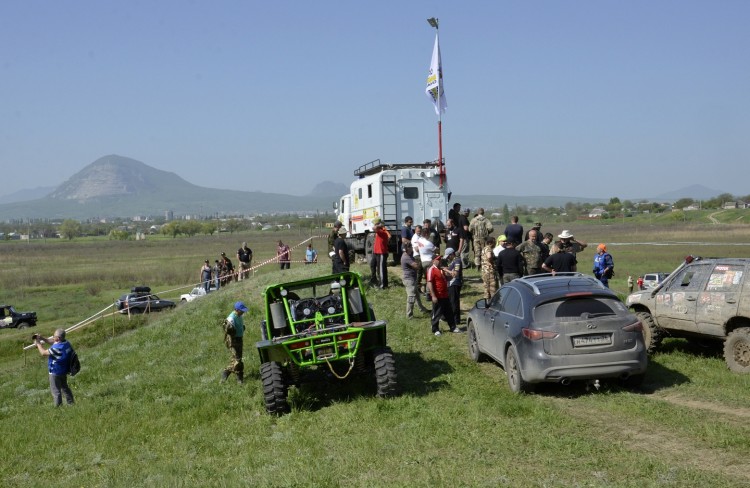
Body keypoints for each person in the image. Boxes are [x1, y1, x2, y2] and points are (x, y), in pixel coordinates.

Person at [34, 328, 75, 406]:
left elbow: (43, 353)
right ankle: (71, 403)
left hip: (55, 372)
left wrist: (38, 344)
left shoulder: (57, 348)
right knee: (65, 387)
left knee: (56, 391)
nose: (53, 337)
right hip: (64, 370)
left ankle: (58, 407)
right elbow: (52, 341)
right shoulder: (66, 343)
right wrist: (42, 338)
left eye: (54, 336)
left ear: (58, 338)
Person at [426, 254, 459, 336]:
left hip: (445, 294)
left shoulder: (441, 269)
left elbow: (447, 279)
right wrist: (433, 296)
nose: (439, 261)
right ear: (434, 261)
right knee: (436, 313)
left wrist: (451, 275)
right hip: (438, 295)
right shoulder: (431, 270)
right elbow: (429, 283)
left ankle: (453, 327)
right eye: (438, 260)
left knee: (449, 312)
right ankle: (435, 329)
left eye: (440, 259)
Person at [221, 301, 248, 384]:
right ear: (237, 309)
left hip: (239, 339)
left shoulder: (239, 316)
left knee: (239, 359)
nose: (243, 312)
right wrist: (229, 327)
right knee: (237, 360)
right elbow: (227, 329)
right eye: (242, 310)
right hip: (233, 341)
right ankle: (226, 373)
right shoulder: (231, 318)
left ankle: (239, 378)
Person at [444, 247, 463, 327]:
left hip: (454, 283)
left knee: (454, 302)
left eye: (448, 256)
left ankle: (456, 320)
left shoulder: (457, 261)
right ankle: (454, 318)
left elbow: (455, 274)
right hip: (451, 283)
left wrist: (446, 270)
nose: (448, 258)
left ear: (452, 254)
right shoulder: (453, 262)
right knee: (452, 301)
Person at [370, 218, 391, 289]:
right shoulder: (379, 231)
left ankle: (383, 285)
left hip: (381, 252)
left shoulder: (382, 231)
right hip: (376, 252)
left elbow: (374, 228)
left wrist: (379, 225)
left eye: (375, 223)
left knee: (381, 269)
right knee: (372, 265)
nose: (374, 225)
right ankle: (374, 280)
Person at [401, 242, 419, 318]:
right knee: (411, 296)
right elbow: (416, 266)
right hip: (409, 279)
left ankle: (422, 309)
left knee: (417, 295)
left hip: (412, 278)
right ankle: (409, 315)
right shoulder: (406, 257)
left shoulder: (409, 255)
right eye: (411, 247)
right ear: (407, 248)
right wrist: (418, 263)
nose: (412, 248)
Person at [480, 236, 497, 300]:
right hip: (489, 271)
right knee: (492, 287)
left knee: (486, 287)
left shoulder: (484, 248)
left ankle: (487, 302)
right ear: (491, 243)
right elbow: (489, 256)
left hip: (484, 270)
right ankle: (493, 301)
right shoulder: (489, 249)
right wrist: (492, 262)